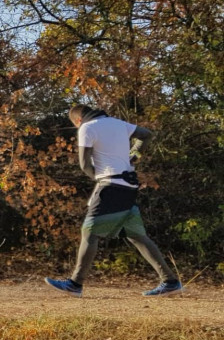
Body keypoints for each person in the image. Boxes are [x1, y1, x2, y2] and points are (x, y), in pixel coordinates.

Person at [46, 104, 183, 297]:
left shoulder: (87, 127)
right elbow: (146, 134)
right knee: (136, 236)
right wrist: (133, 155)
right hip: (129, 186)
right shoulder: (119, 123)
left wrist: (100, 179)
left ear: (78, 120)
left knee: (89, 233)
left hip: (111, 187)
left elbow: (84, 165)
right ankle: (170, 281)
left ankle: (75, 284)